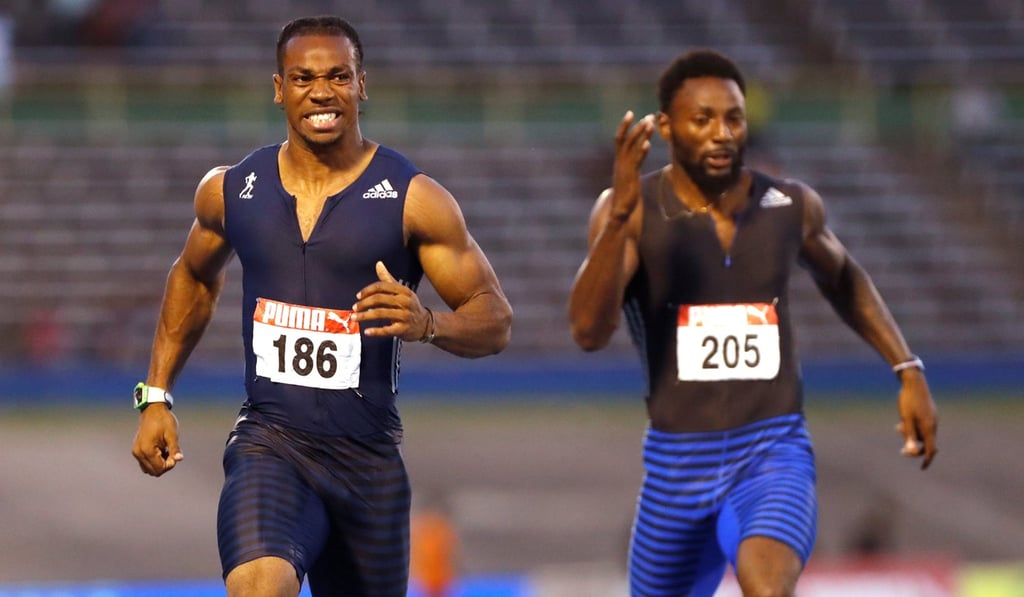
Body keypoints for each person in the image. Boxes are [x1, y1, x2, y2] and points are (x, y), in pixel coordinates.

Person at [130, 15, 512, 597]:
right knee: (260, 586)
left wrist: (428, 322)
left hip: (369, 464)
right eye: (303, 78)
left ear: (362, 84)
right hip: (270, 443)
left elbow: (495, 319)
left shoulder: (415, 200)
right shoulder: (233, 190)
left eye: (338, 75)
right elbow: (192, 275)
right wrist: (156, 395)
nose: (321, 92)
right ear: (279, 89)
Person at [567, 49, 938, 597]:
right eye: (703, 119)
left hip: (770, 453)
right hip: (675, 466)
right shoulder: (632, 210)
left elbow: (843, 277)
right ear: (667, 128)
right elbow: (588, 332)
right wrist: (618, 219)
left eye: (734, 119)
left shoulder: (789, 206)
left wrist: (906, 367)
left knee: (767, 585)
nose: (722, 134)